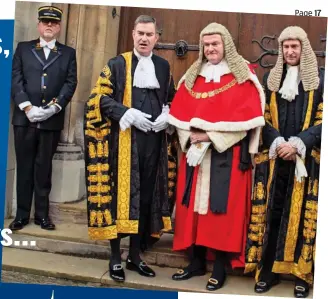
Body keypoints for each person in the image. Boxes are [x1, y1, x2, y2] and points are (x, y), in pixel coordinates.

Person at [167, 22, 265, 291]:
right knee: (193, 211)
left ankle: (219, 268)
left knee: (222, 214)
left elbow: (249, 120)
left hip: (227, 156)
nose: (210, 49)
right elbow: (179, 114)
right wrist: (191, 137)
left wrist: (210, 137)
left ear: (226, 46)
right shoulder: (192, 74)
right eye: (207, 44)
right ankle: (196, 262)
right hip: (195, 155)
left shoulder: (242, 74)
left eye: (215, 44)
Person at [83, 15, 177, 283]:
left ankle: (135, 256)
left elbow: (172, 97)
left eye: (150, 34)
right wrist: (126, 112)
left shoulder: (164, 66)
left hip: (154, 143)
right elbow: (97, 98)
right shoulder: (116, 64)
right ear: (133, 35)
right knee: (117, 199)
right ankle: (115, 258)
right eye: (140, 34)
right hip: (123, 143)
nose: (145, 39)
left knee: (145, 198)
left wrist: (168, 115)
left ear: (156, 38)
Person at [244, 26, 324, 298]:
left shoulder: (320, 80)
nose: (290, 52)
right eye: (286, 47)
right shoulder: (270, 79)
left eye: (295, 47)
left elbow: (323, 120)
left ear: (304, 49)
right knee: (273, 214)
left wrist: (302, 142)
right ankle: (268, 270)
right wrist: (278, 142)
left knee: (304, 218)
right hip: (276, 160)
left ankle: (302, 274)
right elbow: (261, 117)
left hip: (306, 161)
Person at [9, 6, 77, 231]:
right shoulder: (24, 48)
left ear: (59, 27)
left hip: (51, 120)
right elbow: (16, 78)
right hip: (24, 119)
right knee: (25, 166)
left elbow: (70, 83)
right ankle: (21, 215)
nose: (49, 26)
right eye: (45, 22)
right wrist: (27, 107)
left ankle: (42, 215)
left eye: (54, 23)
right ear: (39, 24)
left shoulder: (68, 53)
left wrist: (55, 107)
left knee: (44, 168)